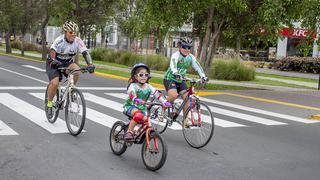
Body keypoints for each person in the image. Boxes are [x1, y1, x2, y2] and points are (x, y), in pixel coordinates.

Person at [46, 20, 95, 118]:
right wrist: (53, 60)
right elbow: (52, 51)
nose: (73, 35)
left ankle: (71, 90)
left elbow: (85, 53)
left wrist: (90, 64)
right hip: (54, 63)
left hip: (67, 62)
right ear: (65, 32)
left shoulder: (78, 41)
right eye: (71, 32)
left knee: (76, 70)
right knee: (55, 83)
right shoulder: (59, 40)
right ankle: (49, 104)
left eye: (75, 33)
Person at [163, 37, 208, 125]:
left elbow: (198, 67)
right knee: (173, 95)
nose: (186, 50)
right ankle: (162, 110)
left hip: (181, 80)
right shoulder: (176, 55)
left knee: (187, 98)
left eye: (188, 48)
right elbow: (173, 65)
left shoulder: (191, 57)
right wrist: (175, 72)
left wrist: (203, 76)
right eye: (184, 47)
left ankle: (186, 120)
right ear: (180, 47)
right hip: (170, 78)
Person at [123, 63, 172, 140]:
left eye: (146, 75)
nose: (144, 77)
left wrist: (164, 101)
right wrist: (136, 99)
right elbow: (131, 94)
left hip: (142, 108)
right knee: (138, 115)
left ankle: (137, 133)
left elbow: (157, 93)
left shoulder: (148, 86)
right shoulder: (133, 86)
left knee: (147, 121)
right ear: (135, 76)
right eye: (141, 75)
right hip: (131, 106)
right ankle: (129, 132)